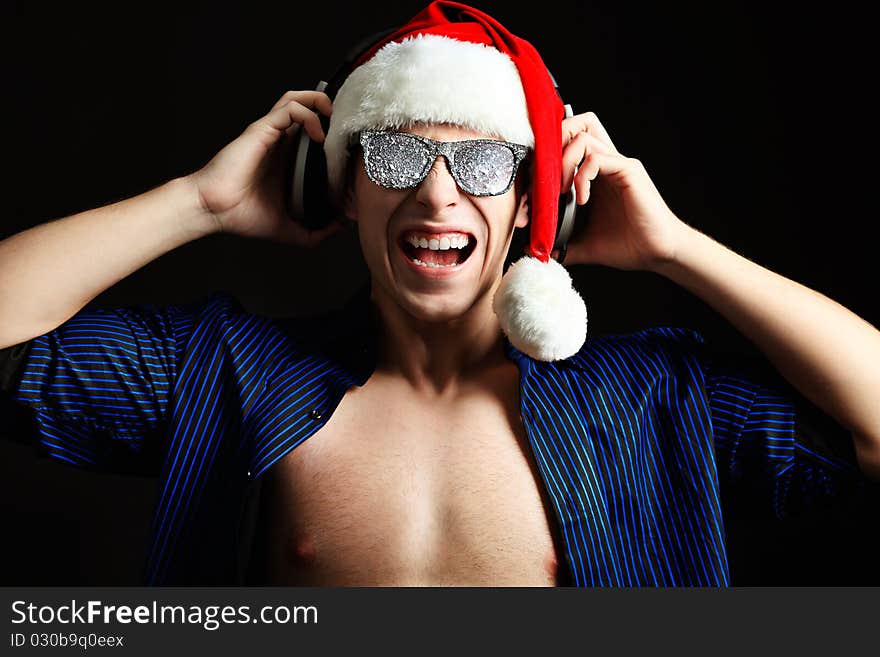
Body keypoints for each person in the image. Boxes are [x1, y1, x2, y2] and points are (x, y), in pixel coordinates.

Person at [1, 1, 878, 587]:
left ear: (536, 201)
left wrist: (677, 248)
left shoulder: (651, 398)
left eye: (485, 160)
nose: (435, 193)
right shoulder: (225, 373)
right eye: (393, 154)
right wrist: (198, 202)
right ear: (342, 188)